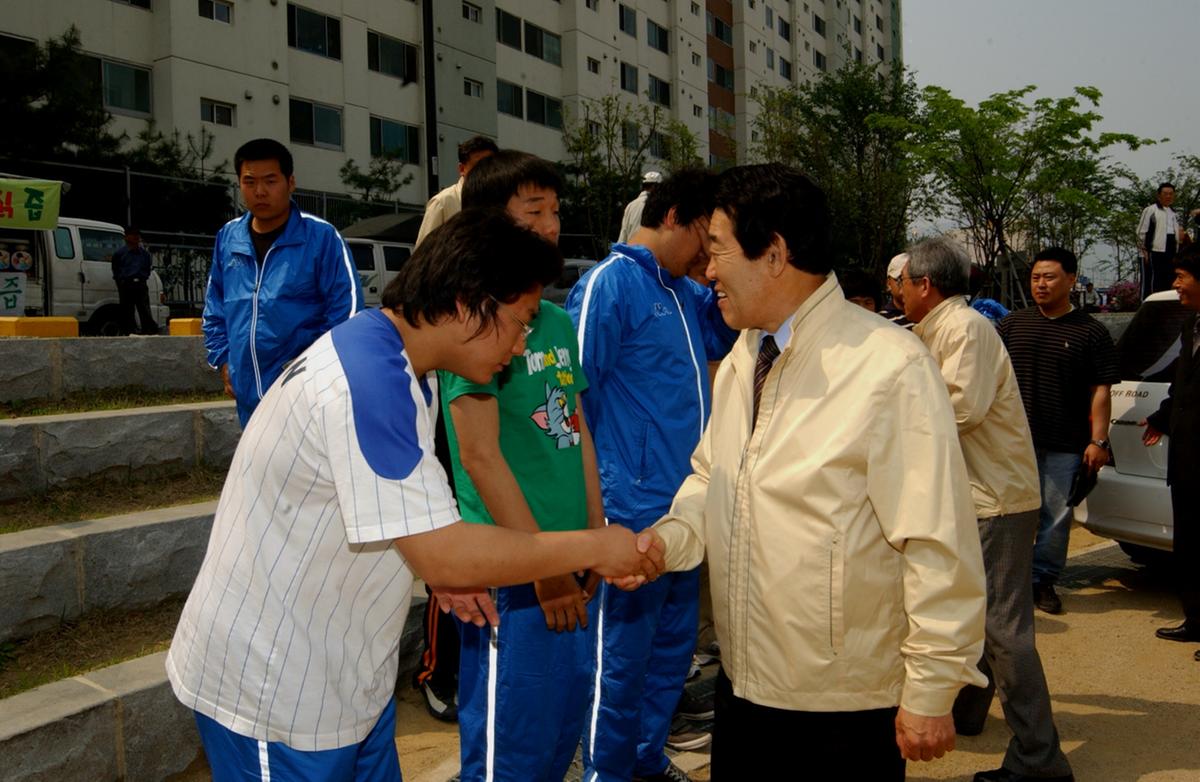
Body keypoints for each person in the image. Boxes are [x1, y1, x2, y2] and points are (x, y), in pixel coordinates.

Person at [166, 209, 664, 782]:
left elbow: (402, 514)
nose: (520, 343)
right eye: (520, 322)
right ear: (468, 304)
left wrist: (444, 574)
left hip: (346, 680)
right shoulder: (369, 381)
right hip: (279, 696)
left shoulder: (406, 368)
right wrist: (595, 546)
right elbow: (445, 552)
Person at [626, 164, 987, 780]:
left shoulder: (888, 367)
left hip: (841, 706)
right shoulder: (747, 355)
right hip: (744, 685)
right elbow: (712, 478)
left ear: (774, 254)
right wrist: (669, 540)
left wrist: (931, 689)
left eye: (718, 250)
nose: (707, 271)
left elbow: (937, 540)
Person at [566, 168, 736, 782]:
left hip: (684, 510)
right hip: (628, 512)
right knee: (618, 664)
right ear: (671, 218)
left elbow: (731, 329)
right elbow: (570, 404)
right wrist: (590, 516)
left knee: (669, 654)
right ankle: (606, 773)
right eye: (705, 237)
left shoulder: (684, 292)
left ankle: (645, 759)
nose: (709, 255)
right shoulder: (609, 285)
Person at [440, 151, 604, 781]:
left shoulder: (554, 320)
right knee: (507, 743)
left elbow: (576, 428)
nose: (550, 225)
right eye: (533, 211)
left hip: (566, 558)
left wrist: (593, 534)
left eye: (556, 211)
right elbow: (479, 456)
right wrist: (543, 569)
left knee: (557, 727)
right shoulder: (476, 323)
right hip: (516, 572)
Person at [903, 238, 1074, 782]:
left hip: (995, 499)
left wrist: (886, 436)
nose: (898, 292)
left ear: (925, 284)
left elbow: (960, 409)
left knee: (1003, 628)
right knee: (975, 615)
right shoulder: (939, 328)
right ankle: (968, 711)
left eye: (902, 282)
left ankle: (1039, 759)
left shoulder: (963, 328)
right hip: (979, 495)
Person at [410, 132, 499, 722]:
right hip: (454, 373)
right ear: (466, 169)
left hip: (486, 373)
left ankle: (476, 671)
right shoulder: (447, 204)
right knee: (449, 523)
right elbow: (426, 275)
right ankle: (436, 671)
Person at [202, 138, 362, 427]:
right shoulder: (228, 238)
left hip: (307, 394)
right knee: (258, 456)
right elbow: (215, 308)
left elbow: (347, 315)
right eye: (249, 182)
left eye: (270, 181)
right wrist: (224, 360)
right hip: (248, 395)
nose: (260, 191)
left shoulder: (322, 238)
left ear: (291, 183)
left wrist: (313, 371)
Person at [998, 247, 1120, 615]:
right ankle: (1010, 580)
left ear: (1070, 279)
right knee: (1011, 515)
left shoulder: (1091, 332)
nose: (1040, 284)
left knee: (1055, 517)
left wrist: (1098, 440)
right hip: (1013, 442)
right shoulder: (1012, 325)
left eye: (1049, 277)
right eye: (1035, 277)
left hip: (1065, 444)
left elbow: (1101, 391)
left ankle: (1043, 581)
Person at [1142, 243, 1200, 661]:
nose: (1175, 284)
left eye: (1181, 277)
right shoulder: (1190, 325)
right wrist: (1161, 418)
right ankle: (1196, 619)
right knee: (1190, 544)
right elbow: (1183, 380)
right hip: (1187, 457)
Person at [414, 135, 499, 248]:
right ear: (462, 169)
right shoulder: (443, 202)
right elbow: (423, 251)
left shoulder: (502, 201)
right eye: (478, 166)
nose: (485, 171)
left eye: (490, 165)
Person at [1137, 182, 1184, 298]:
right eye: (1165, 193)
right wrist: (1144, 250)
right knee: (1153, 280)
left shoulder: (1174, 213)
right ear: (1159, 195)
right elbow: (1141, 232)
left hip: (1171, 249)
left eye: (1171, 194)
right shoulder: (1151, 210)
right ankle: (1148, 304)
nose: (1168, 196)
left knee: (1168, 279)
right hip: (1155, 250)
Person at [110, 226, 159, 335]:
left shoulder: (144, 254)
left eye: (137, 235)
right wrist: (121, 282)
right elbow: (116, 269)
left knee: (144, 308)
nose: (136, 237)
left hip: (140, 283)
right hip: (126, 284)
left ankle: (148, 330)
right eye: (133, 235)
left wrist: (143, 277)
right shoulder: (120, 254)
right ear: (127, 237)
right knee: (127, 309)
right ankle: (128, 331)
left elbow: (147, 268)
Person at [617, 170, 663, 244]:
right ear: (655, 187)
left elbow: (623, 237)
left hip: (630, 249)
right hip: (648, 250)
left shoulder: (630, 206)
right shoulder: (659, 206)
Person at [879, 251, 913, 328]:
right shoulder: (881, 320)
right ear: (889, 284)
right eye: (901, 279)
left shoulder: (928, 314)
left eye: (913, 279)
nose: (907, 284)